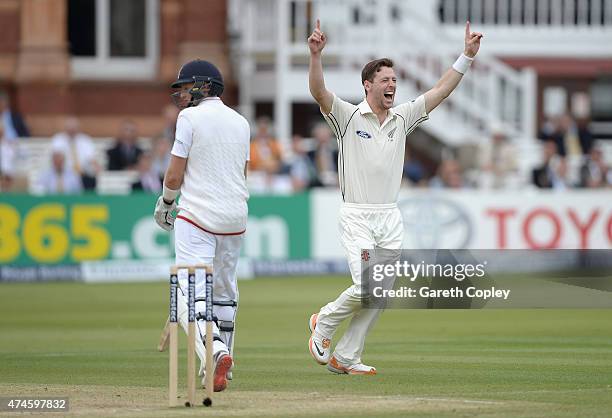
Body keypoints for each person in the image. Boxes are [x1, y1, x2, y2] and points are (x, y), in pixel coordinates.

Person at [306, 19, 483, 375]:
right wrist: (315, 56)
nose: (392, 85)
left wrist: (466, 56)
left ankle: (347, 356)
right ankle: (324, 322)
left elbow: (439, 92)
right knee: (367, 286)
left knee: (380, 293)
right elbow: (319, 93)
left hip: (390, 217)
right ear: (368, 85)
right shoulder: (347, 115)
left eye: (395, 80)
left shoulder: (402, 118)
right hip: (357, 215)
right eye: (385, 80)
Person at [153, 59, 250, 393]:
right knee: (224, 292)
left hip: (196, 216)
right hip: (235, 218)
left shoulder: (189, 118)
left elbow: (175, 173)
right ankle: (225, 365)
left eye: (186, 86)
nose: (181, 94)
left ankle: (216, 351)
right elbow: (243, 174)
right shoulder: (241, 122)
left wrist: (166, 202)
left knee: (191, 293)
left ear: (205, 85)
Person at [51, 116, 99, 190]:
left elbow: (92, 158)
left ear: (78, 128)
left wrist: (95, 167)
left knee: (91, 177)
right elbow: (56, 157)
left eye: (74, 128)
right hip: (65, 174)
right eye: (70, 128)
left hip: (83, 174)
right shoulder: (58, 139)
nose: (72, 130)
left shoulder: (85, 140)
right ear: (66, 128)